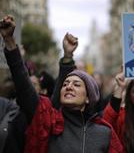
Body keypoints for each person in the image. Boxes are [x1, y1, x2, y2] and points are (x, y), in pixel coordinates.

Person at [0, 15, 124, 153]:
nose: (69, 86)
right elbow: (23, 84)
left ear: (88, 97)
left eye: (76, 85)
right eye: (65, 84)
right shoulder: (48, 122)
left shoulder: (104, 133)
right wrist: (10, 41)